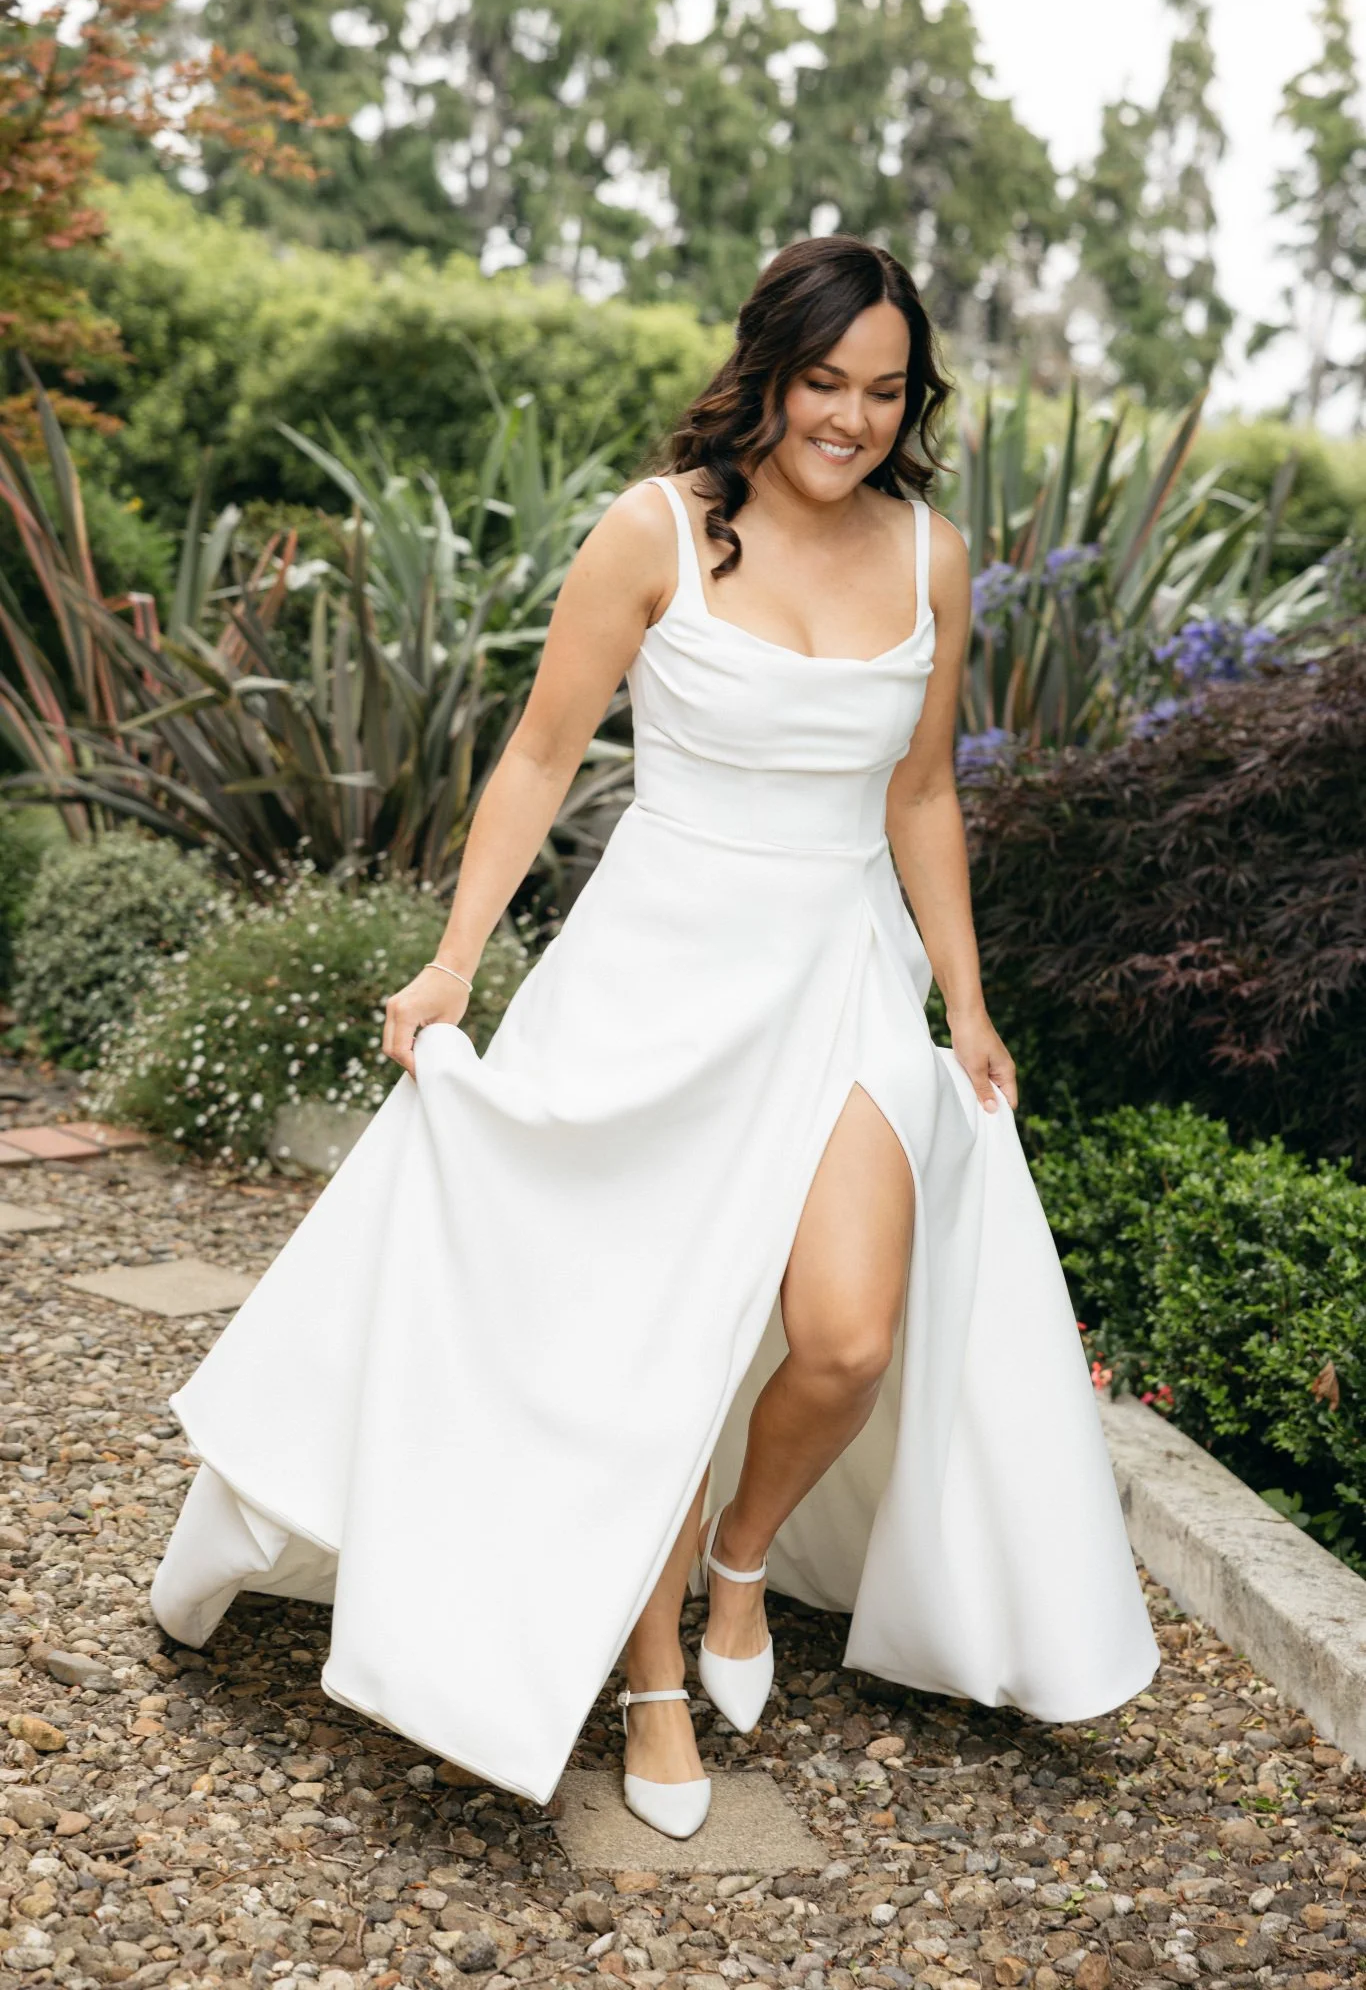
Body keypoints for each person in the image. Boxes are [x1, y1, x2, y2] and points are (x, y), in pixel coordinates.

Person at [150, 234, 1159, 1842]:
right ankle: (648, 1685)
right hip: (656, 977)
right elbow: (541, 759)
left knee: (844, 1336)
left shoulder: (930, 556)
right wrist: (451, 965)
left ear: (913, 401)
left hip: (840, 971)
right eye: (823, 382)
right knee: (646, 1342)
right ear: (767, 368)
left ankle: (737, 1557)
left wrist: (963, 1002)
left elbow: (918, 793)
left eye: (882, 392)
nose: (847, 418)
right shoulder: (656, 531)